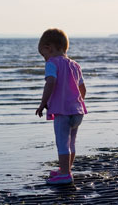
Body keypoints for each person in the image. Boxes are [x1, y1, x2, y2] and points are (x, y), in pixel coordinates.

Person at [36, 28, 87, 185]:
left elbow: (50, 83)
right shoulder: (75, 65)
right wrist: (77, 102)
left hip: (62, 111)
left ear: (49, 48)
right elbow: (83, 89)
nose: (45, 59)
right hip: (77, 111)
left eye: (43, 55)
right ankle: (67, 170)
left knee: (62, 142)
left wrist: (43, 103)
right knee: (71, 142)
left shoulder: (52, 63)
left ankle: (65, 175)